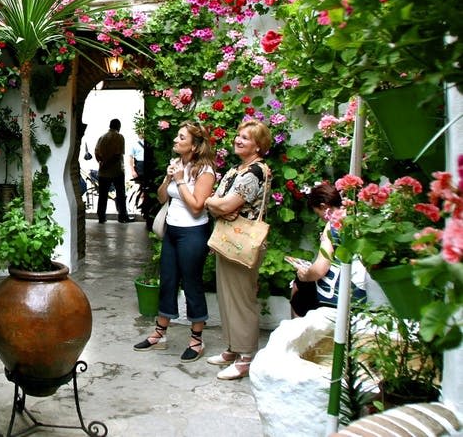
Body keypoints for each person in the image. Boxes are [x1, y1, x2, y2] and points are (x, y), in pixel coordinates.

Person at [134, 122, 216, 362]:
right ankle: (159, 334)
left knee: (191, 284)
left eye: (181, 138)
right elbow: (162, 197)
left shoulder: (206, 171)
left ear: (194, 145)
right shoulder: (178, 165)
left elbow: (197, 206)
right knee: (167, 281)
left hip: (193, 233)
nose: (175, 141)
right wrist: (168, 179)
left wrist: (180, 180)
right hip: (172, 231)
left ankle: (196, 341)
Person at [202, 120, 272, 381]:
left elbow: (227, 204)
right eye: (238, 136)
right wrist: (216, 204)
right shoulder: (236, 170)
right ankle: (233, 348)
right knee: (227, 295)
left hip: (243, 242)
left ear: (258, 145)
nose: (239, 140)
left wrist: (216, 204)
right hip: (227, 239)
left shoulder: (255, 172)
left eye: (246, 138)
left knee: (242, 299)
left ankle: (246, 358)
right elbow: (215, 202)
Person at [288, 182, 367, 317]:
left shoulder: (333, 225)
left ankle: (298, 329)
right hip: (364, 284)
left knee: (298, 284)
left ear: (324, 207)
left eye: (319, 213)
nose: (322, 219)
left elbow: (319, 270)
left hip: (341, 290)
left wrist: (304, 274)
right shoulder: (360, 217)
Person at [95, 118, 132, 223]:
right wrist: (107, 164)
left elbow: (96, 152)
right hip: (116, 171)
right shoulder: (119, 137)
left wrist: (101, 163)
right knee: (120, 194)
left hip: (103, 172)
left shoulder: (102, 137)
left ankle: (101, 217)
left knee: (102, 195)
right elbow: (118, 155)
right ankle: (122, 216)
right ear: (119, 127)